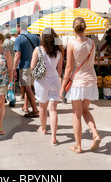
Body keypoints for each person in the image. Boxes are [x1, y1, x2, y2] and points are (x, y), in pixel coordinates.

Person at [59, 17, 100, 153]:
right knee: (85, 110)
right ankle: (95, 133)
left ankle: (78, 145)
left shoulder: (71, 44)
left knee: (77, 114)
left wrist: (62, 86)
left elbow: (69, 67)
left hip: (77, 82)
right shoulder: (92, 43)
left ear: (73, 28)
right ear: (85, 27)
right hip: (91, 80)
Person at [31, 28, 63, 146]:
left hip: (41, 81)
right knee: (53, 110)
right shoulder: (58, 51)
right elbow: (59, 70)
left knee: (42, 107)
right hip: (55, 80)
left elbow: (32, 66)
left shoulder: (38, 50)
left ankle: (43, 128)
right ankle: (53, 138)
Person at [13, 21, 40, 118]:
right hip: (35, 65)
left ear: (19, 27)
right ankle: (26, 106)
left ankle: (35, 109)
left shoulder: (19, 38)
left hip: (24, 66)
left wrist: (13, 69)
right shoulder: (35, 37)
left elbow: (17, 55)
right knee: (31, 87)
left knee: (27, 88)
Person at [3, 32, 16, 107]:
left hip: (4, 65)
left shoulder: (2, 44)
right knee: (11, 81)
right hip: (12, 63)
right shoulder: (13, 43)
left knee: (4, 81)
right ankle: (12, 100)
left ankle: (3, 97)